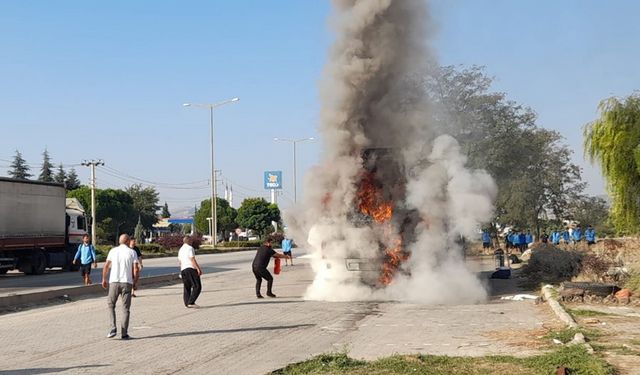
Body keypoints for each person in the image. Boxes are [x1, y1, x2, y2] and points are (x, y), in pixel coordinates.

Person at [101, 234, 140, 340]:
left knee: (111, 305)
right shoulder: (132, 252)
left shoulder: (113, 251)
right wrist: (135, 282)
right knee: (126, 308)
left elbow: (106, 266)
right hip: (127, 283)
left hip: (114, 282)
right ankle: (124, 333)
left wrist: (104, 279)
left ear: (119, 241)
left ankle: (113, 328)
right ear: (128, 241)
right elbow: (136, 269)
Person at [178, 236, 203, 308]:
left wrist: (181, 271)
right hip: (190, 268)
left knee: (187, 287)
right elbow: (192, 259)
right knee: (197, 286)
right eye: (191, 240)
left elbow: (180, 262)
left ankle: (187, 303)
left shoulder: (180, 250)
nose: (192, 242)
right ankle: (191, 302)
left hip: (183, 269)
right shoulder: (190, 248)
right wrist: (198, 269)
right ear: (188, 241)